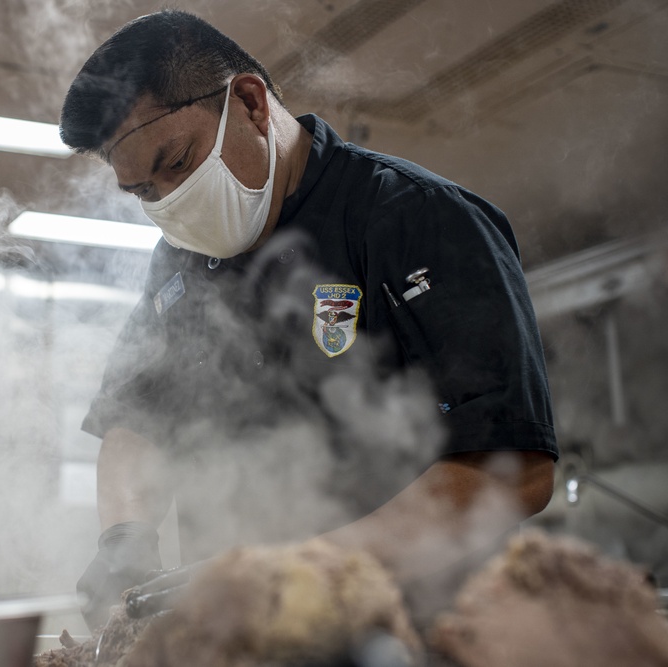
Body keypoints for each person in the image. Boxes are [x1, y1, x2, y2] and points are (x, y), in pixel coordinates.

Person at [59, 9, 557, 631]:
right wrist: (124, 540)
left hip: (413, 634)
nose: (169, 202)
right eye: (144, 192)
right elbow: (137, 417)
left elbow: (514, 470)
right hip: (241, 639)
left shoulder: (413, 218)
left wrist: (304, 569)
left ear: (250, 103)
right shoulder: (179, 262)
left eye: (178, 163)